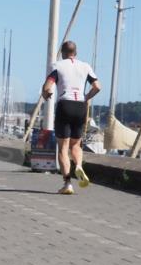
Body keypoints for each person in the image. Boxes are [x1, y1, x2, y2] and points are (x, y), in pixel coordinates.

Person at [41, 40, 101, 195]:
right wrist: (86, 97)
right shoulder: (85, 66)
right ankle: (79, 165)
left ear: (62, 52)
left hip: (64, 105)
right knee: (76, 145)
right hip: (80, 106)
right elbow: (97, 86)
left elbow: (48, 86)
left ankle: (67, 183)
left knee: (63, 147)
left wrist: (46, 94)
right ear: (76, 52)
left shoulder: (58, 66)